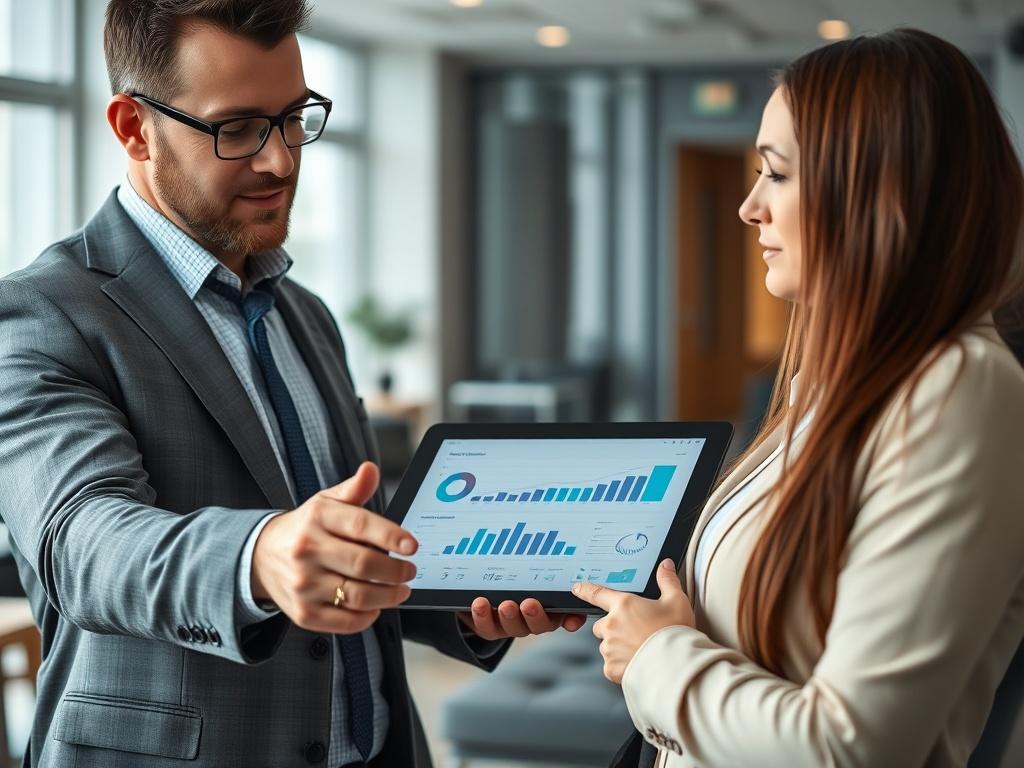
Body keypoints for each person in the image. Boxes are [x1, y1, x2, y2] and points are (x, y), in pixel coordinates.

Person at [0, 1, 583, 766]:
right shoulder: (41, 313)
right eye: (237, 128)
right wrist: (257, 557)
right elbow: (86, 541)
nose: (280, 160)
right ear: (133, 128)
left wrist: (466, 608)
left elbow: (345, 551)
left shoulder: (305, 315)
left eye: (294, 117)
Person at [574, 28, 1024, 768]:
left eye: (777, 176)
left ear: (878, 190)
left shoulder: (958, 393)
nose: (751, 208)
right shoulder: (845, 379)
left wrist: (657, 655)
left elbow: (848, 746)